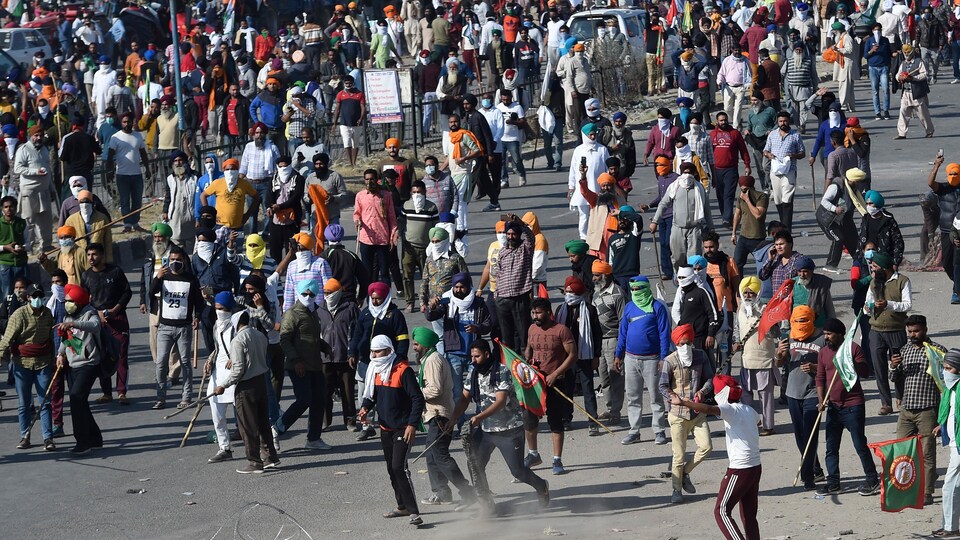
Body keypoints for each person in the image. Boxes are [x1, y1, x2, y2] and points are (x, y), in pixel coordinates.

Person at [449, 340, 550, 516]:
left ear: (487, 355)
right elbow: (465, 398)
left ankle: (541, 486)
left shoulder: (502, 371)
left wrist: (478, 417)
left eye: (477, 356)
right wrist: (453, 418)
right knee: (475, 465)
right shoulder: (473, 371)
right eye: (472, 356)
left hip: (509, 429)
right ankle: (487, 503)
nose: (473, 360)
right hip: (486, 430)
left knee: (518, 471)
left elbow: (501, 401)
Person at [668, 374, 762, 539]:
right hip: (755, 468)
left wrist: (684, 402)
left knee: (721, 511)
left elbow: (710, 409)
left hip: (739, 469)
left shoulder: (730, 411)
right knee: (748, 515)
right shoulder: (748, 409)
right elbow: (758, 422)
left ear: (723, 394)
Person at [358, 335, 426, 527]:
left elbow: (417, 399)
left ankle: (413, 512)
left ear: (388, 350)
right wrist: (365, 408)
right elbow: (372, 395)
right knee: (391, 469)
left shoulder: (403, 370)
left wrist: (412, 424)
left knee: (399, 467)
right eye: (372, 352)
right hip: (385, 428)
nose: (374, 355)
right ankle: (402, 506)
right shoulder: (376, 369)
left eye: (378, 351)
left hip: (403, 429)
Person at [411, 327, 475, 507]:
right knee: (432, 456)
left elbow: (435, 390)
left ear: (425, 344)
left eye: (416, 344)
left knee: (440, 456)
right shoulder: (428, 358)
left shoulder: (432, 361)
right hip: (434, 415)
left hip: (440, 416)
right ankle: (442, 493)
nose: (414, 348)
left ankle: (468, 493)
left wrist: (415, 393)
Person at [816, 317, 879, 496]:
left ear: (840, 334)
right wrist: (822, 401)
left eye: (829, 334)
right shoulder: (823, 353)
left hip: (853, 405)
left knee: (860, 445)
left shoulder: (853, 349)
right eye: (825, 334)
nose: (826, 337)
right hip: (834, 407)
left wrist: (851, 363)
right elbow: (820, 378)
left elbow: (865, 372)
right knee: (831, 447)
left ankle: (872, 480)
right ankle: (833, 483)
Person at [213, 308, 279, 474]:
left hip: (246, 387)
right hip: (261, 382)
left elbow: (238, 370)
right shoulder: (259, 335)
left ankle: (254, 462)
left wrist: (223, 385)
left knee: (247, 427)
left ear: (236, 324)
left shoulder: (237, 340)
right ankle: (270, 457)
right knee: (263, 422)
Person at [659, 324, 715, 504]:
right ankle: (676, 489)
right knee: (678, 455)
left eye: (689, 342)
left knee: (706, 447)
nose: (686, 346)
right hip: (677, 414)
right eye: (682, 343)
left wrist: (703, 392)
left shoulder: (700, 355)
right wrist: (672, 396)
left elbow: (710, 379)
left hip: (697, 412)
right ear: (676, 344)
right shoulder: (670, 361)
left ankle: (684, 474)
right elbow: (662, 385)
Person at [276, 279, 334, 451]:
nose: (308, 297)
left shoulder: (313, 312)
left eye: (312, 294)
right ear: (299, 293)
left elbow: (313, 337)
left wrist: (325, 347)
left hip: (315, 364)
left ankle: (314, 438)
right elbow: (284, 340)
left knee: (319, 399)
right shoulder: (292, 313)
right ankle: (277, 428)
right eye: (305, 294)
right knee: (304, 399)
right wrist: (296, 361)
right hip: (298, 366)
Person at [890, 314, 942, 505]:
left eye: (916, 331)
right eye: (910, 331)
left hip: (927, 410)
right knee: (902, 451)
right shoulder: (905, 350)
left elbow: (946, 381)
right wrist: (894, 366)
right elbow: (894, 378)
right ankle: (904, 488)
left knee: (927, 453)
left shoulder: (936, 351)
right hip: (907, 409)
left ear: (925, 329)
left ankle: (927, 492)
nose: (912, 334)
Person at [349, 282, 410, 441]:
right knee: (364, 393)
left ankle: (387, 423)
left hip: (387, 363)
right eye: (373, 298)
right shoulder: (366, 313)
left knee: (382, 394)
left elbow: (402, 338)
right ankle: (366, 426)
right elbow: (357, 334)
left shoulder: (395, 315)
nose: (375, 302)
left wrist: (400, 358)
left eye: (378, 299)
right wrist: (352, 352)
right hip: (365, 361)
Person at [524, 297, 577, 475]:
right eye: (533, 313)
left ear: (548, 312)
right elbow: (528, 349)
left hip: (555, 383)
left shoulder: (561, 330)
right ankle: (533, 454)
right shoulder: (532, 328)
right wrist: (527, 363)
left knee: (555, 422)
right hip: (535, 383)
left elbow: (572, 355)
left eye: (538, 312)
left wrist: (555, 374)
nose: (535, 316)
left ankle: (557, 460)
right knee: (529, 420)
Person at [616, 276, 671, 445]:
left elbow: (664, 333)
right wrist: (618, 354)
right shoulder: (629, 307)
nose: (635, 292)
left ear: (646, 288)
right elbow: (623, 332)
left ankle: (659, 430)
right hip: (631, 359)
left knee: (656, 396)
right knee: (633, 397)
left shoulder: (657, 307)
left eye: (638, 289)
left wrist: (663, 357)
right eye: (632, 289)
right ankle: (634, 431)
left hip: (652, 359)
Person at [0, 283, 55, 451]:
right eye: (34, 296)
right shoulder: (19, 315)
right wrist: (1, 356)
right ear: (28, 297)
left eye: (40, 295)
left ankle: (48, 438)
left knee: (45, 401)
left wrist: (55, 358)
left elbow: (50, 338)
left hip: (43, 362)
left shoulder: (47, 315)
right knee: (24, 403)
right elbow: (7, 338)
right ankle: (25, 435)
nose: (37, 299)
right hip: (22, 363)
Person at [777, 306, 826, 490]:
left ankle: (808, 477)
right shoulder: (788, 337)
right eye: (796, 321)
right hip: (792, 393)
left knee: (810, 435)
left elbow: (830, 365)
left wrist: (815, 368)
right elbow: (780, 363)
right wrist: (779, 354)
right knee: (800, 436)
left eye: (804, 321)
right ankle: (816, 468)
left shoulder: (822, 338)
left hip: (814, 392)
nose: (800, 325)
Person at [425, 272, 492, 407]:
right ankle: (460, 422)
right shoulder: (447, 302)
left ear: (468, 287)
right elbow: (431, 316)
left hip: (474, 354)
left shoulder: (478, 303)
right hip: (454, 353)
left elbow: (488, 324)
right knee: (456, 391)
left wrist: (477, 328)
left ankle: (479, 421)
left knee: (477, 389)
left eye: (462, 287)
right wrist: (431, 308)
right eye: (456, 287)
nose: (458, 290)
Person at [150, 246, 204, 410]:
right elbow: (152, 292)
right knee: (161, 363)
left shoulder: (191, 279)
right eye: (172, 259)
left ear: (183, 261)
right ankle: (161, 397)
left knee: (185, 362)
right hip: (165, 327)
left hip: (184, 328)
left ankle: (186, 397)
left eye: (178, 260)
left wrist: (197, 317)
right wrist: (157, 278)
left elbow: (198, 302)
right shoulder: (164, 278)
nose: (175, 263)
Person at [81, 243, 132, 406]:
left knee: (121, 357)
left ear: (102, 255)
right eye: (88, 255)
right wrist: (96, 315)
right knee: (102, 357)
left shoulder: (115, 271)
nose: (91, 258)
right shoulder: (86, 275)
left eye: (94, 254)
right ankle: (106, 393)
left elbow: (127, 292)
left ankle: (122, 392)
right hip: (98, 323)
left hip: (117, 321)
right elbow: (84, 300)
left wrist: (115, 310)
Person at [55, 284, 103, 455]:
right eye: (66, 301)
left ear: (79, 301)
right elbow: (66, 339)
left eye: (71, 301)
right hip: (72, 364)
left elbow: (95, 326)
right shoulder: (68, 315)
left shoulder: (90, 313)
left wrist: (74, 324)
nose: (68, 304)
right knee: (80, 402)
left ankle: (83, 442)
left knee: (76, 398)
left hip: (88, 363)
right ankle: (96, 438)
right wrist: (60, 354)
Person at [863, 251, 911, 416]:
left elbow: (907, 305)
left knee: (899, 365)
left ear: (884, 268)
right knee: (879, 368)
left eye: (875, 267)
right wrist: (869, 307)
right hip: (876, 331)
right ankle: (885, 403)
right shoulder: (873, 283)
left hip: (896, 330)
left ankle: (901, 398)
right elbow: (865, 306)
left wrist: (888, 304)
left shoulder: (902, 281)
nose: (873, 270)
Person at [555, 276, 601, 436]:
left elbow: (596, 334)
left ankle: (592, 421)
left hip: (585, 356)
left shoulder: (589, 310)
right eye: (566, 292)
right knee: (567, 389)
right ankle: (566, 418)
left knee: (588, 388)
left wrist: (596, 356)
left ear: (579, 293)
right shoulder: (561, 310)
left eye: (571, 292)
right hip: (566, 358)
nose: (568, 295)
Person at [735, 278, 777, 436]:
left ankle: (768, 426)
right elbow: (736, 330)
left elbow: (775, 333)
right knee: (745, 395)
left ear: (757, 293)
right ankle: (750, 423)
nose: (747, 295)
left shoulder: (767, 310)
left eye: (751, 292)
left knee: (765, 396)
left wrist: (769, 323)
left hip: (764, 359)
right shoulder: (740, 309)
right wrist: (736, 342)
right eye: (745, 292)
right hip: (746, 360)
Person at [650, 170, 712, 272]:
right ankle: (679, 277)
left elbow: (706, 209)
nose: (687, 176)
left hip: (694, 228)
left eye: (689, 172)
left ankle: (693, 280)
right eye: (685, 172)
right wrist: (655, 221)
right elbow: (663, 204)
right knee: (677, 257)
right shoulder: (674, 187)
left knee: (694, 259)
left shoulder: (699, 188)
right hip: (677, 228)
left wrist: (711, 227)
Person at [204, 293, 241, 464]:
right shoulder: (215, 326)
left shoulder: (236, 325)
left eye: (223, 309)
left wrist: (234, 358)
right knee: (217, 415)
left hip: (235, 373)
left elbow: (243, 346)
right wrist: (210, 359)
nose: (219, 312)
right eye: (217, 308)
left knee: (243, 415)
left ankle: (257, 446)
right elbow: (217, 348)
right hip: (218, 373)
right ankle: (224, 447)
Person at [321, 278, 359, 430]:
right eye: (324, 293)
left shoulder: (350, 308)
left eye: (329, 293)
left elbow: (357, 332)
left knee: (348, 392)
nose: (327, 296)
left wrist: (353, 352)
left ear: (337, 293)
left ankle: (350, 421)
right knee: (324, 391)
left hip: (345, 358)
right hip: (325, 359)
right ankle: (324, 421)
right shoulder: (319, 309)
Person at [105, 112, 151, 233]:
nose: (126, 124)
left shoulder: (138, 136)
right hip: (122, 175)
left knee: (137, 200)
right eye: (124, 122)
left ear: (132, 122)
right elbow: (110, 156)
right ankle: (127, 224)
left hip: (136, 174)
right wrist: (109, 171)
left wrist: (147, 169)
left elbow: (143, 153)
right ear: (121, 123)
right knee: (125, 201)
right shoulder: (116, 137)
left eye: (128, 121)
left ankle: (135, 223)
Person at [592, 260, 625, 424]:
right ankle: (609, 406)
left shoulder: (618, 294)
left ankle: (616, 411)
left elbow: (623, 321)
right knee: (603, 377)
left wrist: (621, 346)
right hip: (600, 341)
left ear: (606, 275)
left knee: (616, 377)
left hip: (613, 340)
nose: (593, 278)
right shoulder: (596, 293)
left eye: (597, 275)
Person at [494, 216, 534, 352]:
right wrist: (496, 295)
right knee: (506, 339)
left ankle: (526, 366)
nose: (511, 237)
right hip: (503, 299)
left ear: (519, 235)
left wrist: (520, 223)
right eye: (508, 234)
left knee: (524, 336)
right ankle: (510, 369)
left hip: (520, 297)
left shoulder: (525, 248)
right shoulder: (502, 251)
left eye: (514, 234)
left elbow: (530, 236)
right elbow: (498, 274)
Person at [762, 111, 806, 230]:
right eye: (781, 121)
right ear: (777, 122)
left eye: (785, 121)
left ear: (788, 121)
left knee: (787, 199)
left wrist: (793, 155)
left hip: (789, 171)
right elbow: (765, 150)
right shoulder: (772, 135)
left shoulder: (795, 135)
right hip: (775, 171)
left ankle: (786, 229)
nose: (783, 123)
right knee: (778, 199)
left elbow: (802, 153)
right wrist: (769, 155)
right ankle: (783, 225)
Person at [13, 126, 54, 251]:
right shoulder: (23, 149)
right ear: (31, 136)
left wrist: (52, 188)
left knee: (46, 220)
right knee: (29, 221)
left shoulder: (45, 149)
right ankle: (28, 247)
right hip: (29, 191)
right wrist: (35, 171)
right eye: (36, 135)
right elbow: (17, 169)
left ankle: (46, 245)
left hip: (44, 190)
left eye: (40, 135)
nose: (38, 138)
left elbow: (49, 170)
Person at [355, 169, 399, 286]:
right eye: (367, 179)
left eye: (372, 179)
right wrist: (357, 220)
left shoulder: (386, 195)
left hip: (382, 238)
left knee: (384, 272)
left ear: (377, 180)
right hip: (366, 238)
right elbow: (357, 213)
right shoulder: (360, 195)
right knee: (367, 272)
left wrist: (393, 234)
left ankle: (386, 301)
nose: (369, 182)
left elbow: (391, 216)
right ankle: (370, 300)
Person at [819, 168, 867, 272]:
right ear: (852, 181)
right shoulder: (836, 187)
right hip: (828, 219)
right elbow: (824, 201)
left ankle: (859, 261)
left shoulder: (853, 189)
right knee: (838, 239)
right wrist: (834, 209)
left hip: (844, 218)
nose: (859, 184)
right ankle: (830, 265)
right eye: (858, 182)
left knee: (853, 238)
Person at [935, 350, 960, 538]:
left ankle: (950, 527)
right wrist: (940, 426)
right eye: (944, 368)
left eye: (949, 368)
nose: (946, 373)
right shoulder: (950, 390)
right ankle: (948, 525)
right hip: (954, 444)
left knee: (949, 485)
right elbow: (951, 414)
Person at [201, 158, 261, 232]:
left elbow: (256, 197)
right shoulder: (217, 183)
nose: (230, 171)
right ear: (224, 171)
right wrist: (209, 213)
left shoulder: (244, 183)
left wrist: (247, 215)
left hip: (238, 226)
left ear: (237, 170)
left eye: (233, 169)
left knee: (238, 243)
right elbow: (203, 196)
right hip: (220, 225)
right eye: (227, 169)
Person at [266, 155, 306, 262]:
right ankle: (276, 270)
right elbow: (269, 196)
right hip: (276, 220)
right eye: (280, 167)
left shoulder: (298, 179)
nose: (283, 169)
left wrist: (281, 206)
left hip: (291, 220)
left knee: (292, 248)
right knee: (275, 248)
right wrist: (269, 207)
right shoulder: (273, 179)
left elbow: (296, 197)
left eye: (285, 166)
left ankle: (291, 269)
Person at [731, 176, 769, 276]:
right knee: (736, 264)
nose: (744, 192)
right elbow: (737, 214)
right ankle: (739, 288)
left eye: (746, 189)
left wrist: (748, 200)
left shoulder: (762, 197)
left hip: (758, 238)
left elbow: (758, 214)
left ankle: (762, 288)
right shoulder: (741, 197)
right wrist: (734, 233)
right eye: (742, 189)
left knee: (762, 266)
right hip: (743, 237)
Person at [895, 44, 935, 139]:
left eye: (908, 52)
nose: (906, 54)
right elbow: (897, 75)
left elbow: (924, 75)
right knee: (903, 112)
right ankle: (902, 133)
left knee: (923, 114)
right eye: (905, 52)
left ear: (912, 52)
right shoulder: (903, 63)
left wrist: (913, 78)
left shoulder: (919, 62)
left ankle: (929, 131)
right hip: (906, 93)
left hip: (917, 93)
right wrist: (899, 77)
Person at [162, 151, 198, 253]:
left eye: (180, 160)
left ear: (185, 162)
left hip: (190, 215)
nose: (178, 163)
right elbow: (168, 197)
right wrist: (165, 211)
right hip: (175, 215)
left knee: (191, 243)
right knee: (176, 242)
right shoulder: (170, 179)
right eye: (175, 161)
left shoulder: (194, 177)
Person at [859, 190, 904, 268]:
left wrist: (896, 262)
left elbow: (898, 242)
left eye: (871, 203)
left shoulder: (888, 220)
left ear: (878, 204)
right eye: (867, 204)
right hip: (866, 260)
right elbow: (861, 239)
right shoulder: (865, 219)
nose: (868, 206)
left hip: (883, 260)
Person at [716, 44, 752, 129]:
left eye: (739, 50)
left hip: (740, 87)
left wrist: (748, 84)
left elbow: (749, 74)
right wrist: (719, 81)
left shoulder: (745, 60)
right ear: (732, 50)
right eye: (735, 50)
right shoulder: (727, 60)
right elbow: (722, 72)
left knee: (738, 108)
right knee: (727, 108)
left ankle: (735, 127)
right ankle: (738, 120)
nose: (737, 52)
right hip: (728, 87)